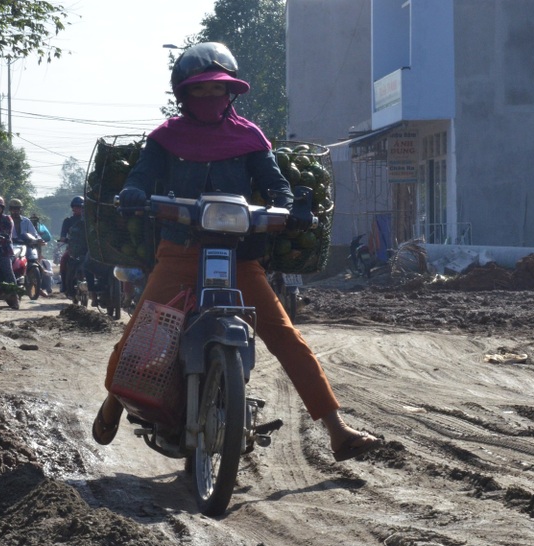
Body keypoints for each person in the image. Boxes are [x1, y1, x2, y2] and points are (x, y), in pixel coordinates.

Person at [92, 42, 383, 463]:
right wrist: (134, 192)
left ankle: (338, 431)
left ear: (231, 94)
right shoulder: (164, 139)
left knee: (285, 335)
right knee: (143, 333)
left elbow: (275, 181)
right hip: (179, 253)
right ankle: (113, 404)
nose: (211, 99)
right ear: (184, 96)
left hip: (239, 256)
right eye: (201, 91)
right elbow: (141, 175)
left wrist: (291, 205)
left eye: (218, 91)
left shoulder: (250, 137)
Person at [58, 196, 85, 296]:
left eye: (79, 206)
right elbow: (62, 236)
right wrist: (63, 239)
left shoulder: (88, 220)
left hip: (87, 249)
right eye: (75, 206)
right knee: (64, 259)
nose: (77, 208)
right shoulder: (68, 221)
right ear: (72, 208)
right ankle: (64, 285)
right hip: (72, 248)